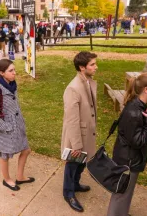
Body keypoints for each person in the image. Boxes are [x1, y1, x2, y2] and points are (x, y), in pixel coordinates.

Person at [106, 72, 147, 216]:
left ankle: (122, 213)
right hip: (128, 161)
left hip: (130, 158)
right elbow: (138, 141)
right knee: (121, 193)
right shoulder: (134, 112)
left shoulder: (139, 106)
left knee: (126, 192)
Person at [0, 59, 34, 191]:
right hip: (5, 130)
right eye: (11, 70)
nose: (15, 73)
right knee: (5, 156)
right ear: (1, 73)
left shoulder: (12, 85)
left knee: (26, 150)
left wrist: (19, 123)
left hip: (17, 126)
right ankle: (7, 179)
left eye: (14, 69)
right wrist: (8, 128)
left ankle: (20, 177)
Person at [61, 52, 98, 212]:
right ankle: (68, 193)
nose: (96, 67)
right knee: (72, 165)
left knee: (82, 163)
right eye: (92, 65)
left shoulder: (88, 81)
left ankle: (75, 184)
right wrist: (76, 145)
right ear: (82, 68)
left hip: (86, 133)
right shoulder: (73, 88)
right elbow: (72, 120)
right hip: (77, 136)